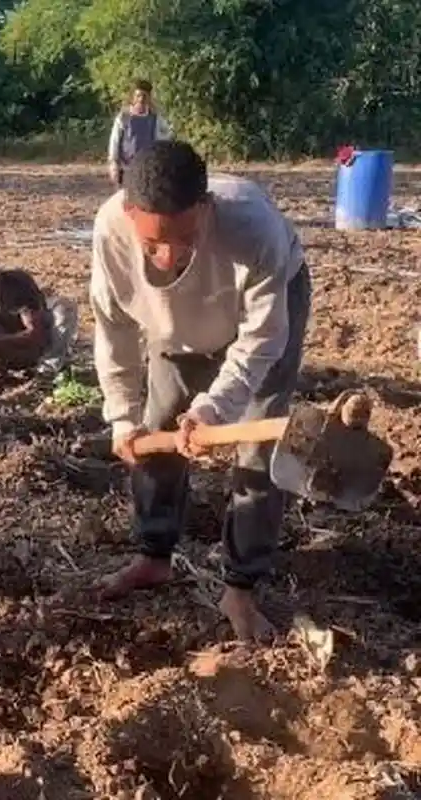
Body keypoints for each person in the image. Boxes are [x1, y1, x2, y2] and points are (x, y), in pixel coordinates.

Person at [89, 140, 311, 642]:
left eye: (185, 237)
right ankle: (153, 555)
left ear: (205, 209)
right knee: (159, 421)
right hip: (174, 327)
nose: (168, 257)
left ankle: (242, 584)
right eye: (152, 244)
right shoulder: (110, 233)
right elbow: (115, 329)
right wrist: (122, 417)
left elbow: (261, 339)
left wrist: (214, 406)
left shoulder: (254, 229)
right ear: (129, 215)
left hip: (264, 314)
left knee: (259, 447)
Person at [0, 241, 79, 396]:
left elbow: (36, 335)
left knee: (64, 308)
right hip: (3, 351)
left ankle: (47, 371)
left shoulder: (17, 284)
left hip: (36, 348)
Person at [107, 79, 173, 188]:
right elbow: (114, 141)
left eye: (144, 96)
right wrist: (113, 163)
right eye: (138, 96)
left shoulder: (155, 118)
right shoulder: (124, 117)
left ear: (149, 98)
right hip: (127, 168)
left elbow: (166, 137)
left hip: (147, 170)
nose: (141, 99)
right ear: (133, 97)